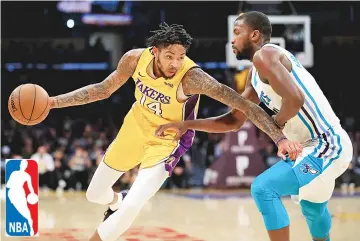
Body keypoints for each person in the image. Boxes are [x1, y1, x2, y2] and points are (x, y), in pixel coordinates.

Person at [48, 23, 302, 241]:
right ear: (155, 52)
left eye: (181, 56)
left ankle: (117, 212)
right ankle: (116, 201)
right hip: (134, 129)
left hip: (167, 141)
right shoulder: (135, 59)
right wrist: (52, 102)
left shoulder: (192, 78)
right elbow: (102, 90)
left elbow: (243, 105)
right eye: (170, 56)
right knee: (94, 195)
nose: (176, 63)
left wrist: (279, 137)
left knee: (132, 208)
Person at [155, 12, 353, 241]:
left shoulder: (266, 55)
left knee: (263, 188)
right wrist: (186, 125)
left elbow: (295, 99)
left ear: (255, 35)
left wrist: (275, 128)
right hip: (310, 147)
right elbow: (233, 120)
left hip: (327, 143)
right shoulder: (255, 75)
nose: (232, 40)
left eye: (237, 33)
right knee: (312, 208)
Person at [6, 160, 37, 236]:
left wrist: (32, 193)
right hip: (13, 193)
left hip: (20, 193)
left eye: (25, 165)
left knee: (26, 212)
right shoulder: (14, 173)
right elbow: (8, 185)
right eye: (23, 164)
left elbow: (30, 187)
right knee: (18, 209)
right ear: (20, 165)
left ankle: (31, 228)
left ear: (26, 166)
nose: (24, 166)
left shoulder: (27, 175)